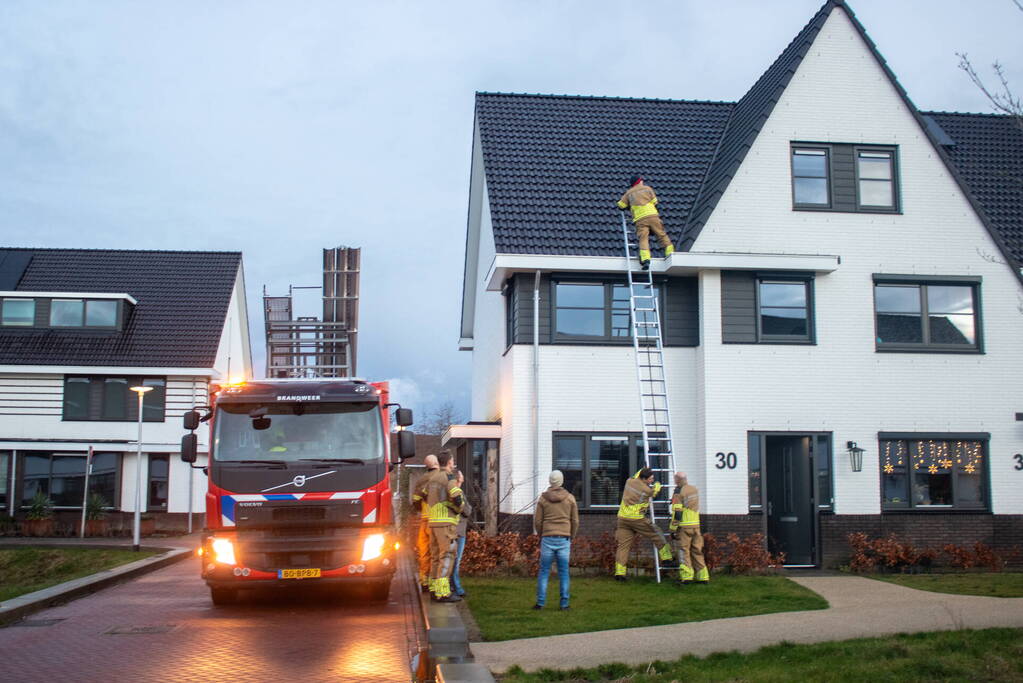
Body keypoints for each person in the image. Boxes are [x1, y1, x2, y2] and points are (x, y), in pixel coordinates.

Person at [614, 467, 674, 580]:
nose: (652, 480)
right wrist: (657, 485)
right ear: (645, 479)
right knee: (657, 533)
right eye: (651, 479)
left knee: (623, 546)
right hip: (636, 519)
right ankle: (667, 559)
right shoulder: (646, 490)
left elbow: (637, 474)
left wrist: (644, 468)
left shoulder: (629, 481)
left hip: (622, 518)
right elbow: (654, 493)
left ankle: (619, 573)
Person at [533, 470, 579, 610]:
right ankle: (564, 604)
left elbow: (538, 521)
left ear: (550, 481)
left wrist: (542, 534)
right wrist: (571, 535)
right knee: (564, 572)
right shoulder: (570, 498)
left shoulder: (542, 499)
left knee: (544, 571)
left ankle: (540, 603)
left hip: (547, 538)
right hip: (564, 538)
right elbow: (575, 521)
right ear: (562, 481)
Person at [425, 451, 464, 602]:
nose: (453, 463)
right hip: (446, 524)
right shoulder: (448, 478)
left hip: (433, 523)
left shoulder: (432, 478)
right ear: (449, 462)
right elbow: (457, 498)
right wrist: (459, 508)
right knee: (447, 556)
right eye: (452, 461)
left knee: (435, 557)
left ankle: (434, 590)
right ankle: (443, 593)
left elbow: (424, 495)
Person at [616, 176, 674, 270]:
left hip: (640, 219)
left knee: (643, 239)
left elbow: (620, 205)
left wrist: (629, 206)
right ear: (639, 182)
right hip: (653, 216)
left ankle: (645, 260)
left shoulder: (629, 192)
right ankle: (670, 253)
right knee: (661, 235)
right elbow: (655, 202)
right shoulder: (648, 189)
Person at [670, 471, 709, 584]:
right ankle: (703, 577)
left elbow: (677, 513)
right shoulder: (694, 489)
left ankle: (686, 577)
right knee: (697, 551)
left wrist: (673, 529)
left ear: (677, 480)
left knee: (683, 551)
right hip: (696, 525)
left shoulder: (678, 492)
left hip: (684, 526)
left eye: (675, 479)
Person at [410, 454, 439, 590]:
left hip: (424, 519)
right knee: (436, 552)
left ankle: (424, 581)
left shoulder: (421, 480)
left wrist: (421, 509)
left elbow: (415, 500)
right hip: (437, 520)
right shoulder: (442, 477)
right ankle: (434, 583)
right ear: (437, 463)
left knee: (424, 551)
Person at [450, 469, 472, 598]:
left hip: (456, 530)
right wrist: (468, 508)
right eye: (462, 475)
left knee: (453, 561)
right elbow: (467, 510)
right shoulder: (458, 493)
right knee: (456, 561)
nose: (463, 477)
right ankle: (457, 588)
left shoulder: (452, 492)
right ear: (459, 479)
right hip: (459, 531)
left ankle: (454, 586)